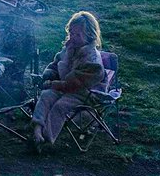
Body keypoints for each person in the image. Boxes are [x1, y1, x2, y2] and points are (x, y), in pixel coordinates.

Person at [30, 11, 106, 151]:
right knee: (46, 96)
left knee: (60, 106)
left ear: (89, 35)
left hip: (83, 94)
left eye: (78, 35)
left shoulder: (92, 60)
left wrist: (52, 84)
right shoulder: (69, 48)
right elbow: (55, 65)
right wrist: (47, 76)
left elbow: (73, 85)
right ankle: (37, 130)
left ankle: (46, 139)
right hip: (64, 88)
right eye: (71, 33)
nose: (73, 37)